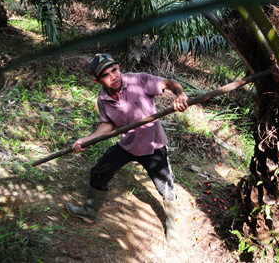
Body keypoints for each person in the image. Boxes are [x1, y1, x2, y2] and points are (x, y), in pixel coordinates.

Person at [66, 53, 188, 244]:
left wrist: (180, 95)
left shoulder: (138, 80)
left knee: (166, 187)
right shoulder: (103, 98)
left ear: (119, 67)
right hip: (128, 144)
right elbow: (107, 125)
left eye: (114, 70)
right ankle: (89, 212)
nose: (113, 76)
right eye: (106, 75)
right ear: (97, 81)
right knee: (99, 171)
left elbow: (169, 83)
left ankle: (171, 227)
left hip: (152, 145)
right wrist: (86, 140)